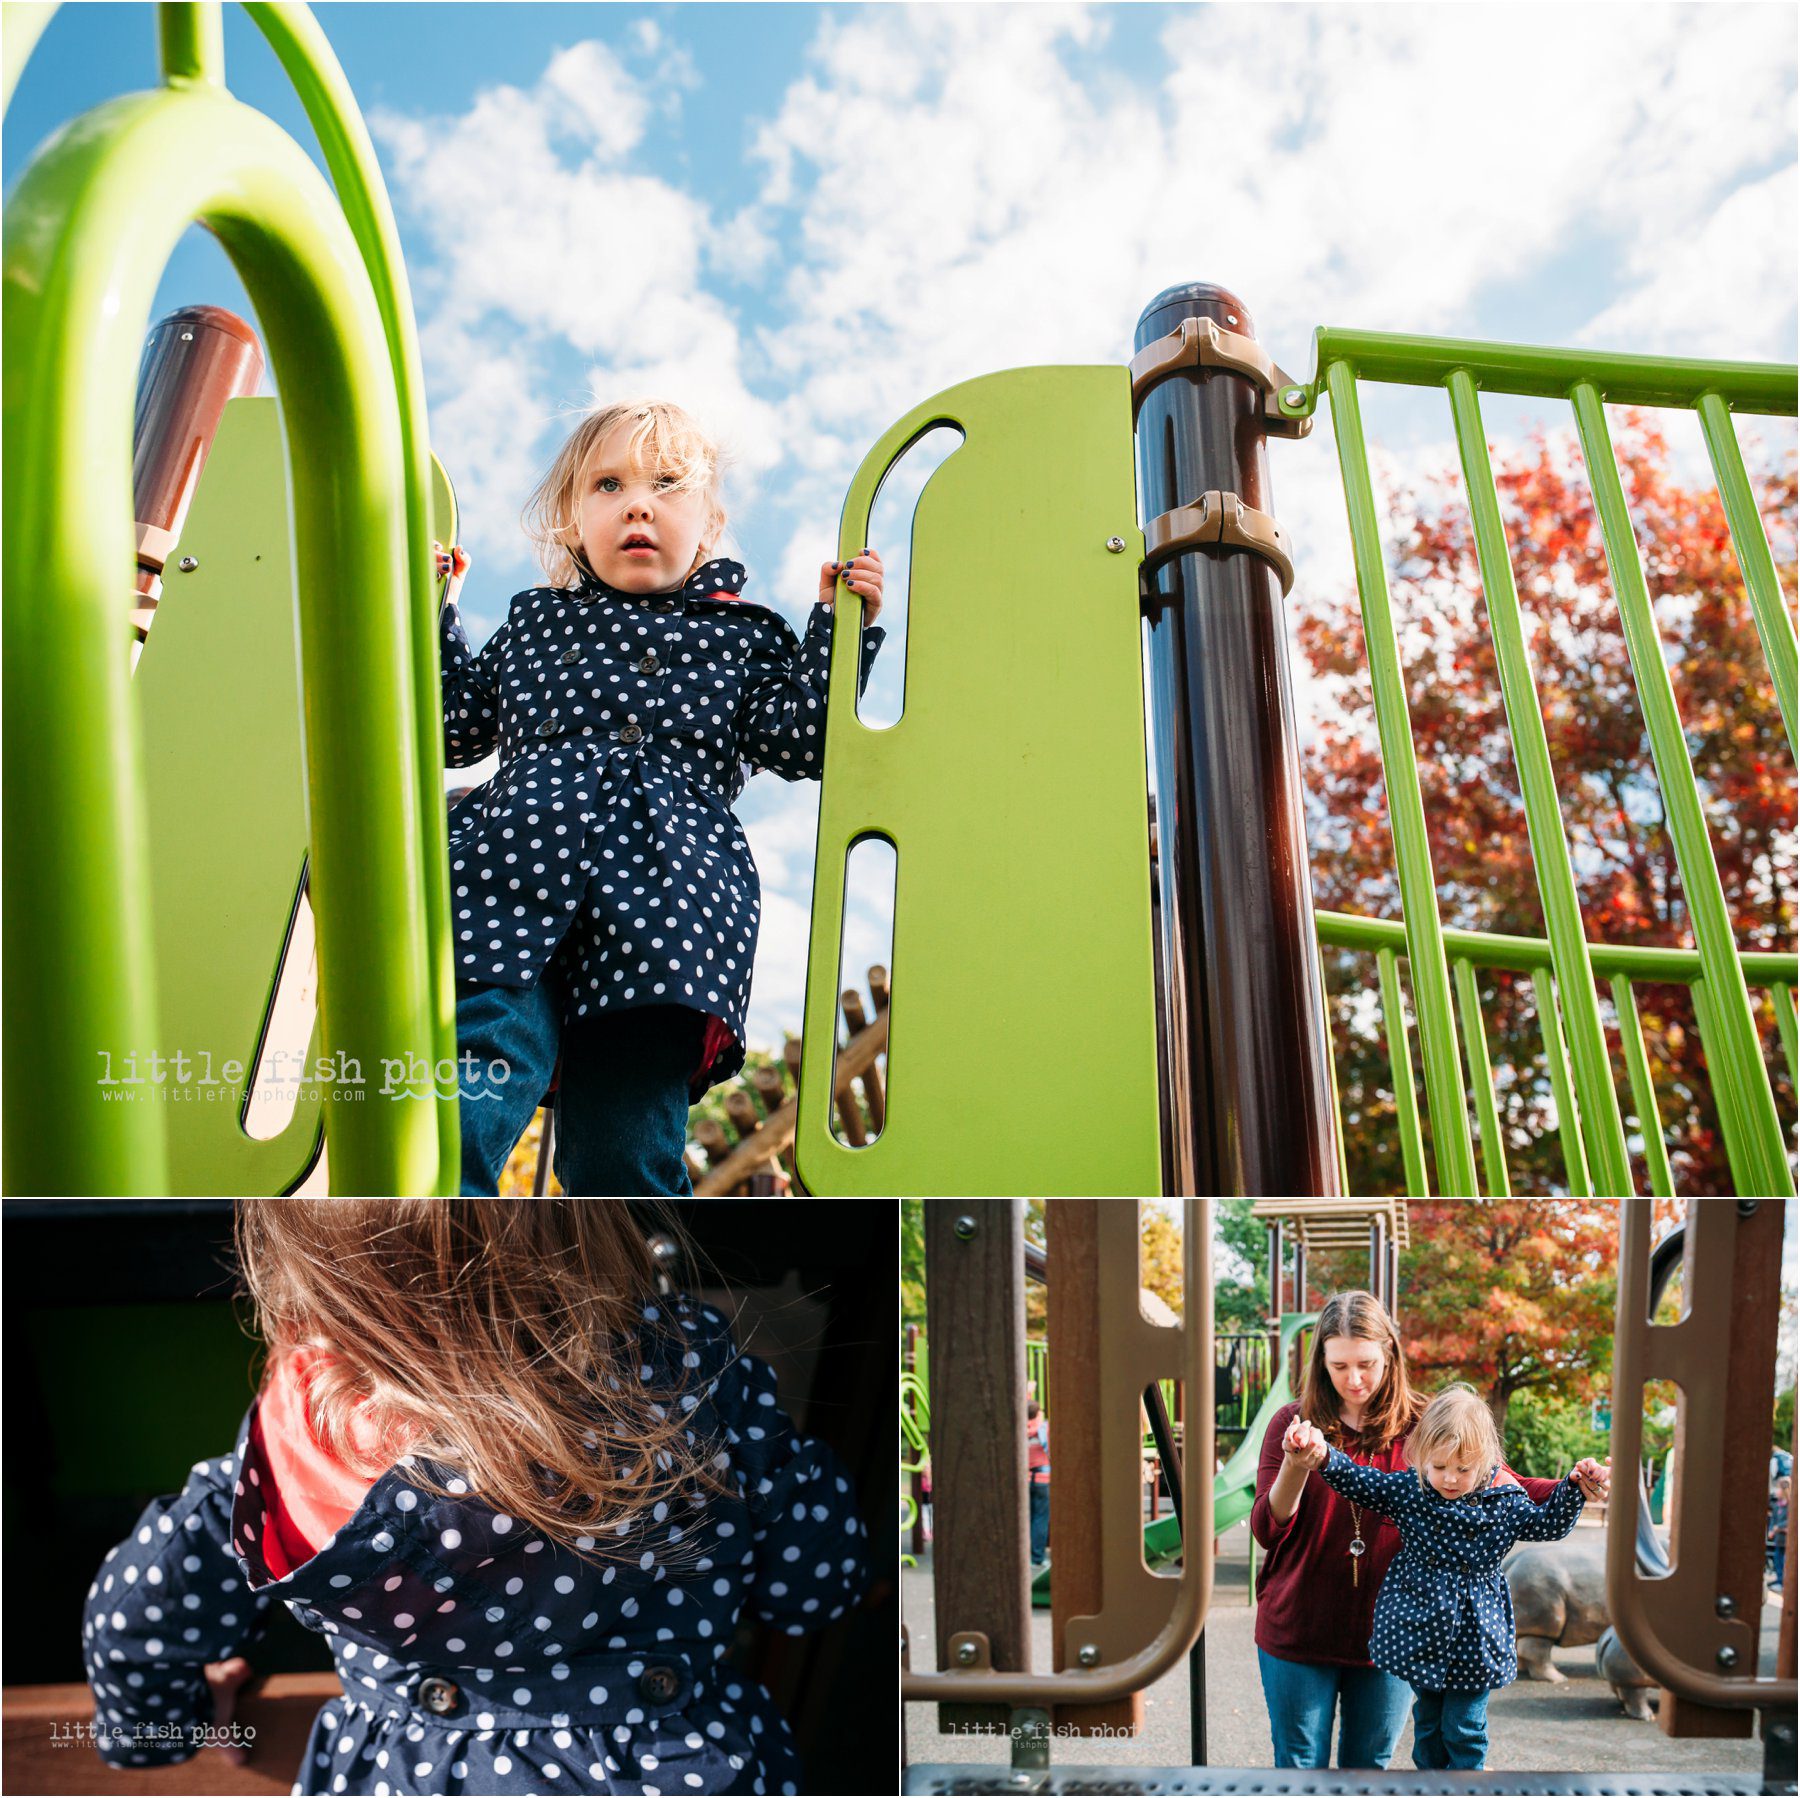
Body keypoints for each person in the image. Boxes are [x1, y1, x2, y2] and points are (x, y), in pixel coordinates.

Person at [82, 1199, 872, 1794]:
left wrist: (163, 1730)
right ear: (597, 1233)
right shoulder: (699, 1382)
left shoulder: (305, 1434)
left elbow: (134, 1621)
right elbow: (817, 1586)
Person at [436, 399, 886, 1193]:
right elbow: (457, 726)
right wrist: (429, 616)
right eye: (607, 485)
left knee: (624, 1147)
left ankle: (644, 1303)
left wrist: (837, 627)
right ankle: (427, 1254)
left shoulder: (743, 635)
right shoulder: (537, 623)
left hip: (666, 905)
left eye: (668, 484)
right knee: (484, 1067)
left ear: (708, 526)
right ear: (574, 523)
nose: (638, 502)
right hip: (510, 876)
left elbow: (805, 739)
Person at [1250, 1290, 1611, 1771]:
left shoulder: (1431, 1423)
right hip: (1301, 1623)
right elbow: (1267, 1531)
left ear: (1391, 1354)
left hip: (1405, 1629)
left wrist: (1576, 1485)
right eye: (1339, 1366)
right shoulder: (1293, 1423)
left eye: (1366, 1363)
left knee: (1369, 1768)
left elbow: (1507, 1485)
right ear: (1321, 1362)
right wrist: (1301, 1464)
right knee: (1298, 1766)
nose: (1354, 1379)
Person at [1287, 1386, 1598, 1772]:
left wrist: (1573, 1487)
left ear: (1486, 1463)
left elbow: (1547, 1524)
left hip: (1475, 1631)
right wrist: (1322, 1457)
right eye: (1439, 1466)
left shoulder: (1503, 1503)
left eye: (1463, 1469)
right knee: (1429, 1722)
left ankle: (1467, 1785)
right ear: (1420, 1459)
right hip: (1421, 1627)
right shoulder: (1412, 1491)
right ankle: (1431, 1783)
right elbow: (1360, 1481)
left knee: (1464, 1726)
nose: (1449, 1479)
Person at [1027, 1401, 1051, 1567]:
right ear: (1037, 1414)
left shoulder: (1021, 1429)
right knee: (1040, 1519)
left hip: (1025, 1479)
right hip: (1043, 1479)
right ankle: (1037, 1558)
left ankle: (1024, 1556)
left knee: (1026, 1519)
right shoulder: (1044, 1429)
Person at [1770, 1474, 1790, 1593]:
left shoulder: (1790, 1505)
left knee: (1784, 1561)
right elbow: (1773, 1519)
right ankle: (1778, 1580)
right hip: (1778, 1539)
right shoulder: (1777, 1505)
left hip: (1785, 1539)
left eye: (1778, 1488)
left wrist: (1778, 1527)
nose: (1776, 1491)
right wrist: (1772, 1529)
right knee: (1777, 1559)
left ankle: (1783, 1582)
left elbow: (1789, 1521)